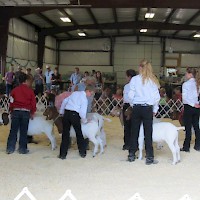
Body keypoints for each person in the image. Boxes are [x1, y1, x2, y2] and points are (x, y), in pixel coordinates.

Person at [127, 60, 160, 165]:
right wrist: (155, 109)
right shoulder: (153, 80)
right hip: (147, 108)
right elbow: (156, 97)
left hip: (137, 107)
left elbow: (130, 95)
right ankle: (149, 157)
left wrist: (134, 105)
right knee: (148, 133)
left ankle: (131, 154)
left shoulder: (134, 79)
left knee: (134, 131)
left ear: (140, 67)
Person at [58, 84, 95, 160]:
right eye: (91, 93)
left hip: (66, 113)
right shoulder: (84, 99)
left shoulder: (75, 93)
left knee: (65, 134)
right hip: (74, 115)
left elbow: (65, 101)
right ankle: (82, 153)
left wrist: (61, 112)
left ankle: (62, 154)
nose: (90, 95)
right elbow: (82, 113)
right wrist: (85, 121)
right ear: (87, 91)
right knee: (79, 133)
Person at [6, 73, 36, 154]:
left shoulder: (14, 90)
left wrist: (11, 110)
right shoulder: (30, 91)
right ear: (26, 81)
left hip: (15, 111)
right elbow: (33, 103)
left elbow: (11, 102)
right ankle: (22, 149)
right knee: (23, 131)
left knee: (13, 130)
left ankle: (10, 148)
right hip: (26, 112)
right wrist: (32, 112)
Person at [181, 67, 200, 152]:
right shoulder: (197, 84)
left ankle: (186, 147)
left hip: (189, 107)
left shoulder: (185, 84)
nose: (185, 75)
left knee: (188, 127)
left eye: (186, 73)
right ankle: (198, 145)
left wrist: (192, 104)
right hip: (197, 107)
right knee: (196, 127)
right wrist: (197, 104)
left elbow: (185, 99)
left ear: (190, 74)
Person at [122, 69, 136, 150]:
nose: (126, 77)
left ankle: (127, 144)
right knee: (134, 126)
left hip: (128, 106)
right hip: (135, 106)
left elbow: (127, 98)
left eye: (126, 76)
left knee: (127, 126)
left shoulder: (127, 86)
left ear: (129, 77)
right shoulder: (137, 85)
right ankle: (134, 144)